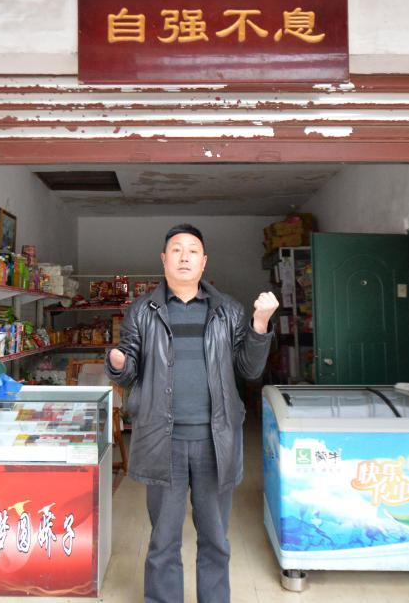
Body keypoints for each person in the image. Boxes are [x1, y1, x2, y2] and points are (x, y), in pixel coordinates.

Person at [106, 223, 278, 603]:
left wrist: (260, 324)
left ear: (204, 262)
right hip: (161, 440)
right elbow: (129, 369)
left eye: (192, 251)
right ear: (164, 259)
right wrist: (118, 363)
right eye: (176, 250)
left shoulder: (228, 310)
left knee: (215, 538)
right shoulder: (142, 311)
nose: (184, 257)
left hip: (215, 441)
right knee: (163, 540)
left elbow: (249, 370)